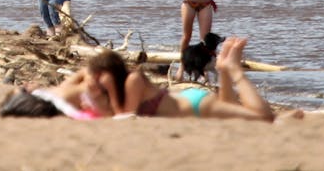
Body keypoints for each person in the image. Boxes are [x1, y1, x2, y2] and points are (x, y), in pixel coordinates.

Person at [114, 39, 275, 121]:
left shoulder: (130, 82)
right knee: (238, 116)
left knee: (262, 118)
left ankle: (233, 70)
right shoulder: (128, 84)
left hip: (194, 104)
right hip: (188, 100)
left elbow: (125, 117)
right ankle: (224, 70)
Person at [0, 52, 115, 120]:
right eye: (24, 89)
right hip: (102, 90)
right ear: (31, 96)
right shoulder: (60, 98)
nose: (25, 83)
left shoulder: (57, 91)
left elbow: (85, 72)